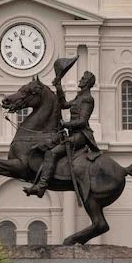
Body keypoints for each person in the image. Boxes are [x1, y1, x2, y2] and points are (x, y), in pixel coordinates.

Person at [25, 70, 99, 198]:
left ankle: (41, 187)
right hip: (71, 134)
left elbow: (82, 121)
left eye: (83, 78)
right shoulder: (79, 97)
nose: (80, 80)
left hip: (81, 135)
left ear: (87, 83)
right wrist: (58, 86)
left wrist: (65, 124)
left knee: (52, 152)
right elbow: (63, 104)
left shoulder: (88, 99)